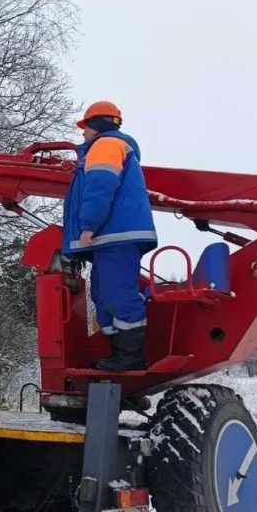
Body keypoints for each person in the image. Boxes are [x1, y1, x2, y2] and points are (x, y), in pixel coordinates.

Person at [61, 101, 157, 371]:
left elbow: (101, 185)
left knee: (116, 294)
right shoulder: (111, 147)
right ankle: (118, 354)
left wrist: (88, 224)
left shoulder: (106, 146)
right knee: (103, 295)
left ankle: (130, 358)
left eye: (85, 127)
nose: (83, 134)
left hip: (117, 235)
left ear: (97, 125)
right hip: (112, 237)